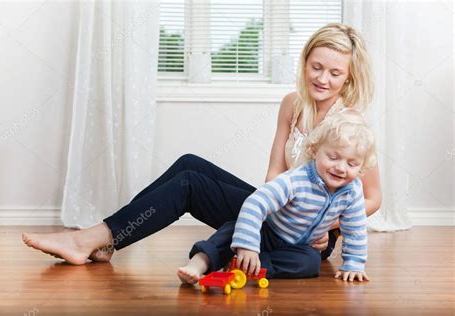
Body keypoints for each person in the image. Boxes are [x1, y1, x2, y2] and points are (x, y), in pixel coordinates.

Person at [21, 23, 381, 268]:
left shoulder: (350, 124)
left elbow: (373, 196)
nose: (322, 78)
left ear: (349, 77)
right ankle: (109, 239)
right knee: (189, 163)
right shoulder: (292, 103)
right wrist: (263, 206)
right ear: (304, 62)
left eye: (335, 74)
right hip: (277, 211)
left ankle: (89, 240)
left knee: (189, 186)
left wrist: (329, 227)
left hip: (307, 234)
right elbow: (275, 168)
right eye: (316, 67)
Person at [177, 110, 375, 283]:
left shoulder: (352, 190)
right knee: (232, 230)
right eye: (333, 157)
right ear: (314, 151)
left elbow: (355, 227)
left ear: (361, 167)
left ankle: (254, 266)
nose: (341, 168)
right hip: (269, 232)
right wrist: (247, 245)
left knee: (310, 263)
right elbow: (256, 202)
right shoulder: (296, 180)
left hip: (299, 246)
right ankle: (199, 263)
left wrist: (353, 264)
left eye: (352, 164)